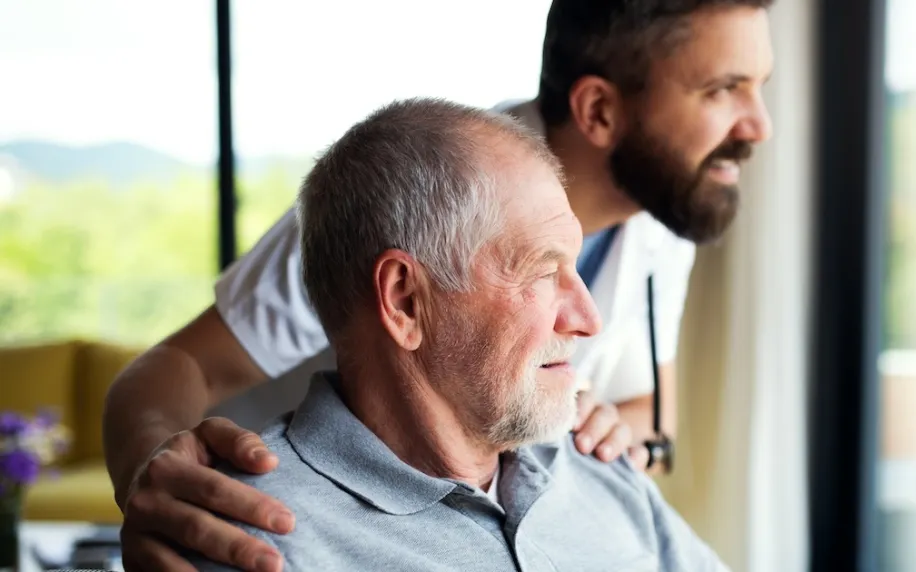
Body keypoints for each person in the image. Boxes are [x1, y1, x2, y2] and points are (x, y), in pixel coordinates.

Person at [104, 1, 774, 570]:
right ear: (598, 109)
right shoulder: (403, 198)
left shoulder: (656, 219)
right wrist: (155, 479)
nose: (759, 125)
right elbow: (176, 367)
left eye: (759, 86)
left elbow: (650, 416)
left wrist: (596, 436)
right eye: (723, 89)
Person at [186, 96, 728, 572]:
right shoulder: (258, 538)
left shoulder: (602, 475)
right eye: (542, 271)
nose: (588, 319)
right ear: (404, 301)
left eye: (576, 268)